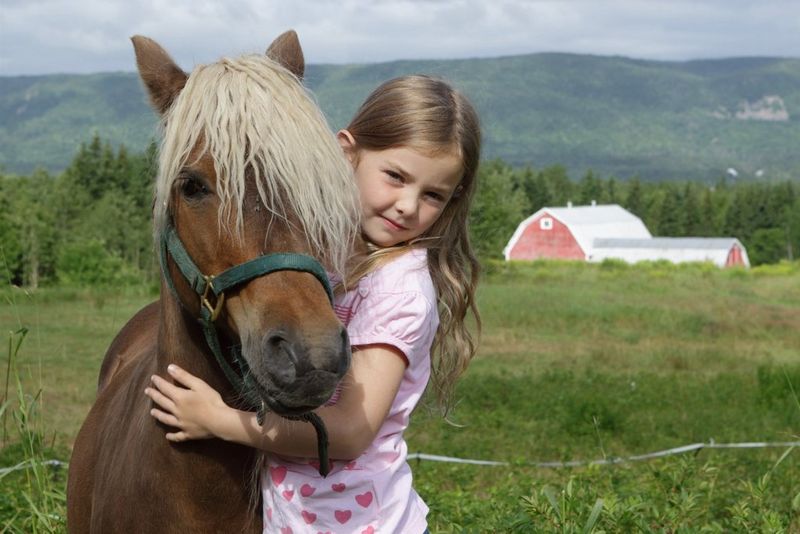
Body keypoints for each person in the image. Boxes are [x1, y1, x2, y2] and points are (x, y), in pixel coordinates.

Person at [144, 74, 481, 533]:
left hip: (361, 523)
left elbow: (351, 432)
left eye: (433, 195)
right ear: (347, 153)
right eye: (396, 177)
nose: (407, 205)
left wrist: (220, 420)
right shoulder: (328, 253)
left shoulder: (400, 290)